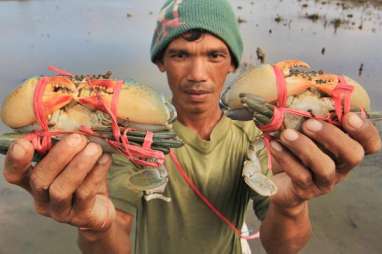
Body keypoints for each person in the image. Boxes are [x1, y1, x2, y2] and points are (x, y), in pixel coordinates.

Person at [3, 0, 381, 253]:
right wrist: (92, 226)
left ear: (233, 64)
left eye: (214, 55)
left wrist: (294, 203)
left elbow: (284, 246)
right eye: (180, 54)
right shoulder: (130, 137)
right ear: (160, 63)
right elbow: (113, 230)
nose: (197, 74)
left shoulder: (259, 134)